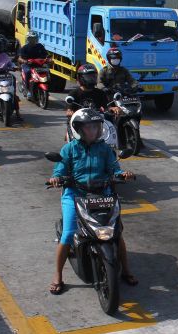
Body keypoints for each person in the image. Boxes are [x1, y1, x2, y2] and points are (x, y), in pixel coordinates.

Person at [47, 109, 137, 294]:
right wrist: (56, 178)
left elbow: (114, 169)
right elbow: (59, 170)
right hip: (75, 194)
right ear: (79, 129)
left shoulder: (105, 149)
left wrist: (123, 175)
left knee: (116, 233)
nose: (94, 130)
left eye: (96, 126)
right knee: (68, 233)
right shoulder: (69, 148)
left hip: (102, 193)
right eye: (89, 127)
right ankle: (57, 275)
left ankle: (126, 270)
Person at [18, 31, 48, 99]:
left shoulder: (40, 46)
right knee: (28, 72)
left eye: (34, 39)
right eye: (31, 39)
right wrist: (25, 61)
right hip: (28, 65)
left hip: (38, 65)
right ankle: (28, 90)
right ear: (28, 39)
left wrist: (49, 59)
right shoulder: (24, 48)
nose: (33, 40)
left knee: (47, 71)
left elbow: (46, 55)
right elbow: (20, 58)